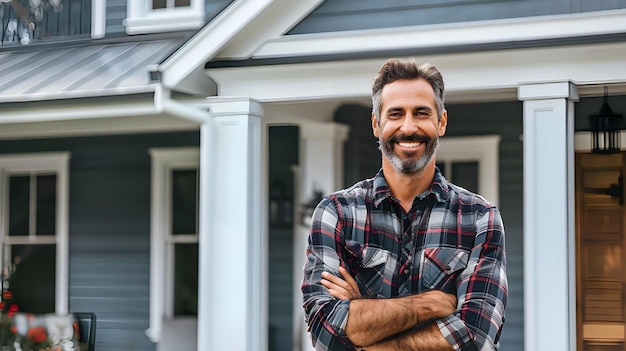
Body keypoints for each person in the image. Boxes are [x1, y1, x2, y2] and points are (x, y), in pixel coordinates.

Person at [301, 58, 508, 351]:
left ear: (441, 122)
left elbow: (475, 339)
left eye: (421, 113)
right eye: (396, 113)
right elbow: (326, 335)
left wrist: (363, 317)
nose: (408, 127)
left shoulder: (480, 218)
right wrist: (433, 304)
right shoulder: (337, 213)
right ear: (377, 124)